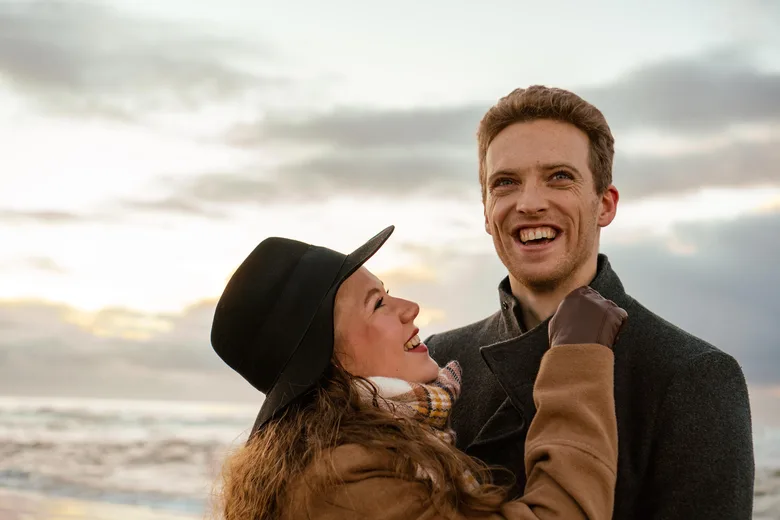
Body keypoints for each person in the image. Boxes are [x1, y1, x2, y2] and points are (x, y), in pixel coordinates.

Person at [426, 85, 755, 520]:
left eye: (559, 177)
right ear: (486, 212)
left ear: (605, 203)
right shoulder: (438, 361)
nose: (529, 203)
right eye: (505, 183)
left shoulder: (693, 376)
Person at [210, 225, 627, 519]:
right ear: (329, 359)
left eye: (387, 293)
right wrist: (577, 354)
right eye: (377, 304)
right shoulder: (343, 477)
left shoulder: (364, 443)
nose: (409, 307)